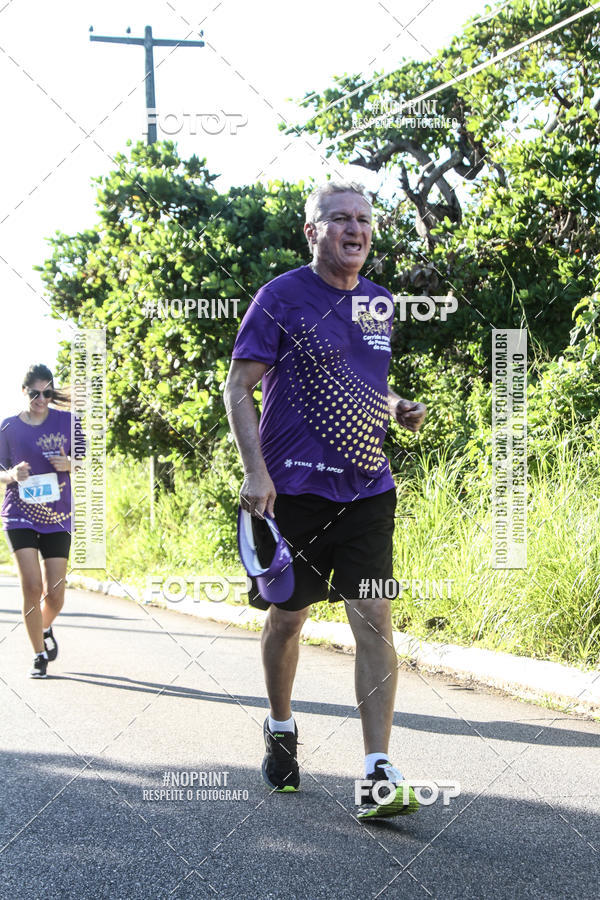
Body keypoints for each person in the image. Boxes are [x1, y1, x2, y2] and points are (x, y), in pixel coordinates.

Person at [224, 182, 427, 819]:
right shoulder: (280, 297)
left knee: (375, 617)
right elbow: (237, 390)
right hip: (294, 492)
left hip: (368, 487)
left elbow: (370, 382)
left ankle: (375, 772)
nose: (355, 229)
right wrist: (256, 475)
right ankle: (281, 726)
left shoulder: (379, 302)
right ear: (312, 232)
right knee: (288, 618)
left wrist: (399, 407)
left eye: (364, 220)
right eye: (339, 218)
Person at [0, 364, 73, 678]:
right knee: (32, 586)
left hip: (58, 514)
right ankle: (38, 655)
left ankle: (43, 627)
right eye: (34, 393)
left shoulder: (69, 422)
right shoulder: (8, 428)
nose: (41, 399)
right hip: (19, 513)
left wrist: (71, 463)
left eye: (46, 392)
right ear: (23, 392)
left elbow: (90, 461)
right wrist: (11, 475)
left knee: (55, 595)